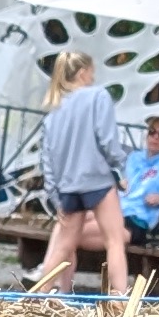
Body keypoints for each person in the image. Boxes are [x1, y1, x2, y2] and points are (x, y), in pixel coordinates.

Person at [33, 48, 129, 294]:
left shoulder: (53, 112)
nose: (93, 78)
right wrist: (121, 168)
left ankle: (37, 297)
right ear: (83, 72)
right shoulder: (98, 96)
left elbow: (47, 160)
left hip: (68, 187)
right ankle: (120, 301)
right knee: (114, 241)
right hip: (97, 180)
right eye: (92, 72)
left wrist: (55, 196)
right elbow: (107, 140)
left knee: (62, 247)